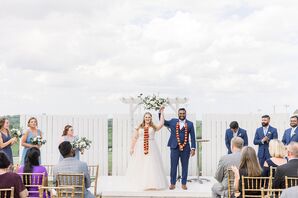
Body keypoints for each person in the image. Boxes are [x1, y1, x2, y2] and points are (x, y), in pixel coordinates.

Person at [126, 107, 168, 190]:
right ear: (144, 118)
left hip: (152, 147)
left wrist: (162, 113)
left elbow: (161, 124)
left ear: (151, 118)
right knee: (141, 164)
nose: (147, 118)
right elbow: (134, 137)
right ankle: (141, 183)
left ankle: (151, 183)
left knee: (151, 165)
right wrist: (132, 148)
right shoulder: (139, 127)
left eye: (149, 117)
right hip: (140, 147)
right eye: (146, 117)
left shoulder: (153, 127)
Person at [161, 108, 196, 190]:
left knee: (185, 166)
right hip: (174, 147)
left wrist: (193, 148)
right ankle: (172, 183)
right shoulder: (173, 121)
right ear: (178, 114)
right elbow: (163, 122)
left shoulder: (190, 124)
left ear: (186, 114)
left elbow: (193, 137)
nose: (182, 115)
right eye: (180, 113)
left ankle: (184, 183)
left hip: (186, 148)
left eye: (183, 113)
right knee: (173, 166)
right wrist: (160, 112)